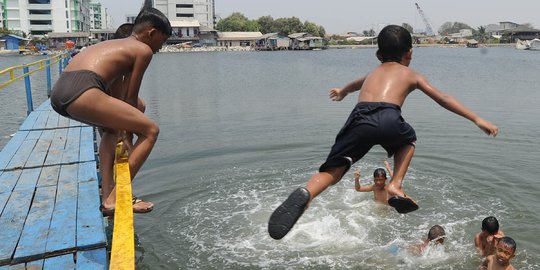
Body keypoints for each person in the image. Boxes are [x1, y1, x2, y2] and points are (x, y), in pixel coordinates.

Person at [268, 25, 498, 240]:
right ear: (409, 53)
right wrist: (476, 118)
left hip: (359, 119)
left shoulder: (372, 73)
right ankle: (395, 184)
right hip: (389, 117)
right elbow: (443, 99)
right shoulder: (412, 75)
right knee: (408, 141)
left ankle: (308, 193)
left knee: (334, 170)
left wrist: (342, 91)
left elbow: (356, 83)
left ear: (378, 55)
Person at [50, 7, 172, 216]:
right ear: (151, 33)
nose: (162, 46)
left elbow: (117, 97)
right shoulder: (143, 50)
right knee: (151, 130)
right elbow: (131, 98)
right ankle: (119, 194)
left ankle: (108, 198)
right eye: (163, 39)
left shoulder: (113, 44)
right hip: (83, 89)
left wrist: (120, 130)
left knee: (110, 130)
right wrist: (128, 135)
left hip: (60, 92)